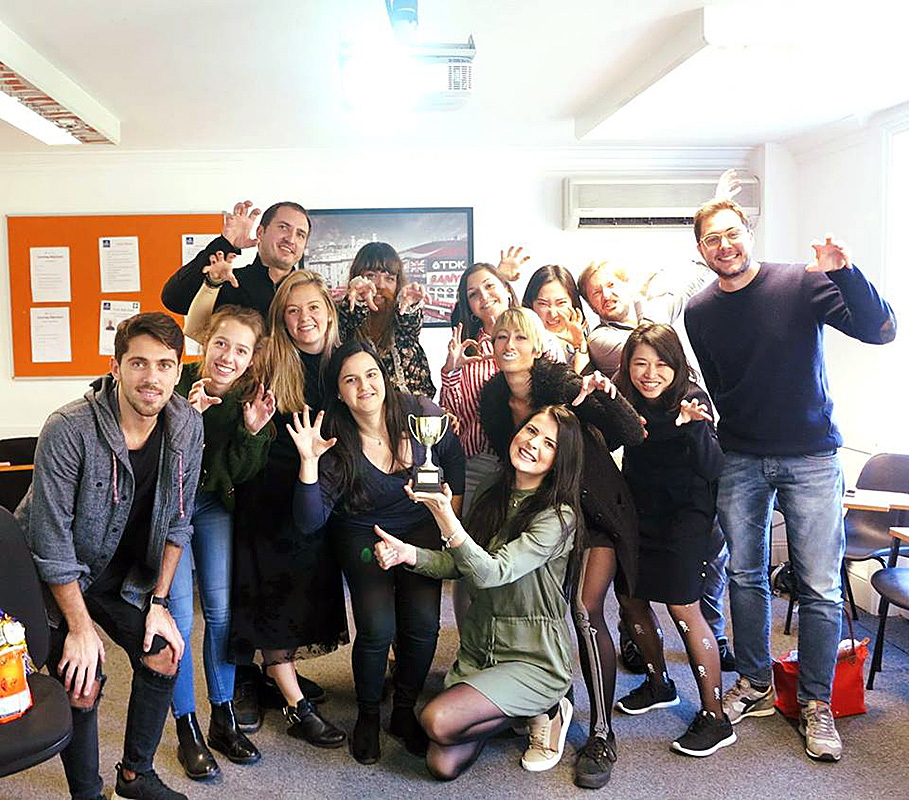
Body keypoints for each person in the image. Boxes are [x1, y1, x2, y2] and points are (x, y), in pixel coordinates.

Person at [684, 197, 897, 763]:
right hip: (740, 457)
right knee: (744, 575)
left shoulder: (802, 282)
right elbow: (720, 382)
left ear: (747, 232)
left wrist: (845, 273)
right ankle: (754, 682)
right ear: (701, 250)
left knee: (820, 586)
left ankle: (816, 702)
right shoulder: (699, 311)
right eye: (712, 239)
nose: (725, 245)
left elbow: (881, 331)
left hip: (812, 456)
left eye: (732, 233)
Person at [15, 312, 203, 800]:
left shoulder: (187, 426)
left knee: (164, 654)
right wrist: (80, 629)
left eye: (164, 365)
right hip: (55, 577)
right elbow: (50, 543)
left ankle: (136, 775)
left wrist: (159, 603)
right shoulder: (69, 429)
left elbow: (179, 522)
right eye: (138, 363)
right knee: (82, 679)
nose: (151, 377)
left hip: (125, 577)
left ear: (178, 371)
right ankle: (87, 793)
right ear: (116, 367)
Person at [478, 308, 645, 789]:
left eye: (519, 338)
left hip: (594, 512)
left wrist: (603, 396)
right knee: (539, 604)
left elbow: (631, 432)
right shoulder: (493, 396)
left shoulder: (561, 382)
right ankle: (548, 700)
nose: (509, 345)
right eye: (501, 337)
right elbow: (512, 458)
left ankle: (602, 733)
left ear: (536, 346)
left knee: (584, 611)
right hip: (543, 512)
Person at [372, 405, 585, 781]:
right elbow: (464, 563)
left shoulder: (558, 516)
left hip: (531, 657)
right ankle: (513, 711)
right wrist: (409, 554)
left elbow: (491, 573)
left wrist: (445, 516)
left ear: (560, 461)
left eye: (549, 443)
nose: (533, 443)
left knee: (437, 720)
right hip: (480, 651)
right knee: (441, 765)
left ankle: (548, 708)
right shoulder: (492, 489)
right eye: (531, 431)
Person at [288, 340, 465, 764]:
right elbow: (309, 521)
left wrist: (449, 520)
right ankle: (368, 715)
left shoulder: (418, 410)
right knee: (377, 627)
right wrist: (308, 462)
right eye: (350, 380)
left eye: (370, 374)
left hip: (419, 528)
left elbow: (454, 460)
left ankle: (403, 710)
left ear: (384, 377)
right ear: (339, 392)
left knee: (423, 626)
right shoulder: (335, 438)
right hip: (363, 534)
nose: (364, 386)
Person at [228, 270, 347, 749]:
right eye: (292, 311)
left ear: (329, 312)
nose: (304, 319)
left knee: (304, 591)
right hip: (269, 495)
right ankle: (296, 704)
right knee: (274, 596)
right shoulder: (269, 360)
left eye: (313, 307)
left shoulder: (343, 360)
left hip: (317, 491)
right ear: (280, 318)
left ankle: (277, 676)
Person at [613, 323, 734, 757]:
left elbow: (713, 467)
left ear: (676, 364)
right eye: (640, 364)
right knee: (629, 598)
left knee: (684, 607)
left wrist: (695, 427)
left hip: (685, 516)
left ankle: (715, 718)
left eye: (661, 364)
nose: (650, 374)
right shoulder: (625, 398)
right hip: (639, 512)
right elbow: (612, 437)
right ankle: (659, 683)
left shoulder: (692, 399)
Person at [167, 305, 275, 780]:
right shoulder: (175, 383)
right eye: (221, 344)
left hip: (212, 505)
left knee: (221, 613)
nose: (228, 357)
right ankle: (185, 726)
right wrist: (187, 418)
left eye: (240, 350)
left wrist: (251, 433)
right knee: (176, 619)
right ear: (205, 342)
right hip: (169, 511)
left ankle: (222, 716)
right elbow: (154, 462)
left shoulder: (253, 399)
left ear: (252, 358)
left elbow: (238, 474)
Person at [161, 199, 312, 331]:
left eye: (300, 234)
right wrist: (225, 243)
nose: (291, 239)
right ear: (260, 232)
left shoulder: (310, 293)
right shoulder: (228, 282)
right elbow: (174, 300)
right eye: (283, 227)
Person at [339, 242, 435, 397]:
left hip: (411, 408)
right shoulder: (343, 320)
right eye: (371, 276)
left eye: (390, 278)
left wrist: (410, 304)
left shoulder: (402, 322)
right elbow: (346, 321)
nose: (380, 285)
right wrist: (357, 301)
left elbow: (409, 326)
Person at [522, 264, 590, 373]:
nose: (553, 314)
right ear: (531, 305)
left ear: (573, 303)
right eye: (543, 304)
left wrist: (580, 345)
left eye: (561, 303)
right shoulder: (523, 346)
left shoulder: (590, 342)